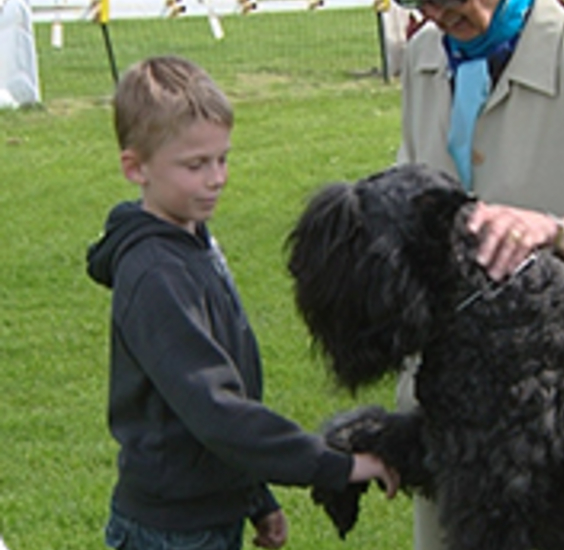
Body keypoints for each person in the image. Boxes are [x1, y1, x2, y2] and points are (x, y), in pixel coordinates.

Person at [86, 55, 399, 550]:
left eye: (222, 158)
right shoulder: (154, 274)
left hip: (210, 513)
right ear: (135, 167)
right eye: (195, 165)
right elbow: (215, 409)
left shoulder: (192, 242)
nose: (216, 178)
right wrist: (338, 466)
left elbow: (219, 399)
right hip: (169, 532)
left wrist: (255, 497)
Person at [392, 0, 564, 548]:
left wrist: (556, 232)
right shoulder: (425, 53)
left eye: (443, 1)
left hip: (550, 411)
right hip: (448, 400)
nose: (433, 15)